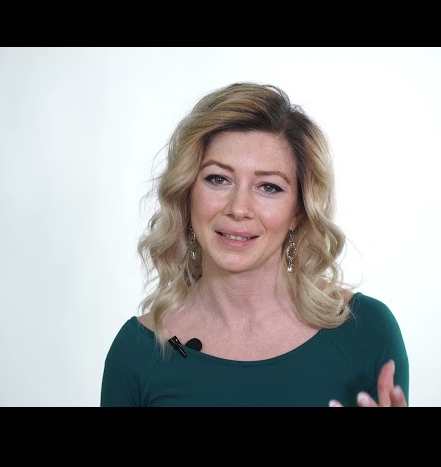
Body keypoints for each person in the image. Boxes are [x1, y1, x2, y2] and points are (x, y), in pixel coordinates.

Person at [100, 82, 409, 407]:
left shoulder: (365, 331)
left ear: (299, 210)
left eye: (269, 187)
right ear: (186, 193)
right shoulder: (137, 352)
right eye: (218, 179)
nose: (239, 208)